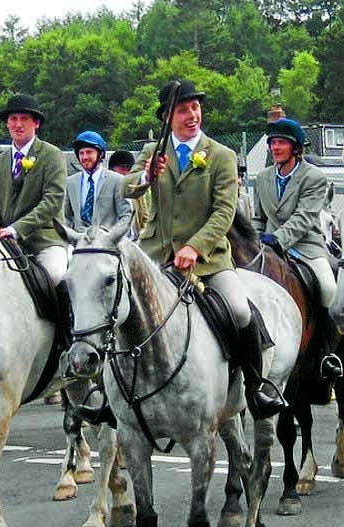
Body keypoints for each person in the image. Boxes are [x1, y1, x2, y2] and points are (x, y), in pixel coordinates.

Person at [123, 78, 285, 419]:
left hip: (208, 259)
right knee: (115, 305)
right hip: (155, 255)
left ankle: (255, 389)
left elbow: (224, 211)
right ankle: (111, 394)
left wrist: (195, 247)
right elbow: (128, 188)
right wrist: (146, 177)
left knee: (241, 311)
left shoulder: (222, 156)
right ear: (167, 117)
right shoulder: (153, 154)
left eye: (195, 107)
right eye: (183, 110)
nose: (191, 114)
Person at [0, 93, 70, 341]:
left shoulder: (52, 155)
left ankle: (66, 339)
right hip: (4, 241)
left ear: (36, 123)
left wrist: (16, 229)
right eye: (13, 119)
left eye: (24, 119)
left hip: (44, 238)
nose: (18, 124)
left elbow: (52, 202)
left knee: (55, 275)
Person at [252, 118, 336, 315]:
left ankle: (327, 343)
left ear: (296, 148)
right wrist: (253, 238)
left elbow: (304, 218)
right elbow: (259, 218)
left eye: (282, 142)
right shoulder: (262, 178)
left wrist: (277, 239)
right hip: (267, 248)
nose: (275, 147)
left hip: (306, 248)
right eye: (273, 142)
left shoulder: (314, 178)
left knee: (329, 290)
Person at [64, 131, 132, 232]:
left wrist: (113, 237)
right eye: (81, 153)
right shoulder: (70, 183)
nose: (85, 157)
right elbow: (65, 217)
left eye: (89, 152)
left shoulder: (117, 180)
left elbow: (126, 216)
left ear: (100, 154)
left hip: (107, 242)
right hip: (79, 242)